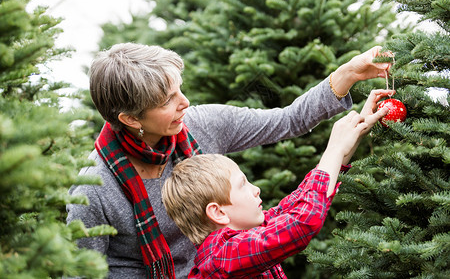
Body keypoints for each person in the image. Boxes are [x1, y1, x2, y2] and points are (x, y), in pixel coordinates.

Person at [66, 42, 392, 279]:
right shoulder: (94, 189)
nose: (186, 102)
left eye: (180, 89)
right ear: (131, 118)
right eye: (168, 100)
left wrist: (348, 74)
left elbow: (288, 120)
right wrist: (333, 154)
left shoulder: (202, 124)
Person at [162, 90, 392, 278]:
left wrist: (355, 131)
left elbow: (298, 203)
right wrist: (334, 148)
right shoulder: (223, 257)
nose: (256, 189)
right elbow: (302, 222)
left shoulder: (247, 233)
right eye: (243, 185)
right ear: (218, 212)